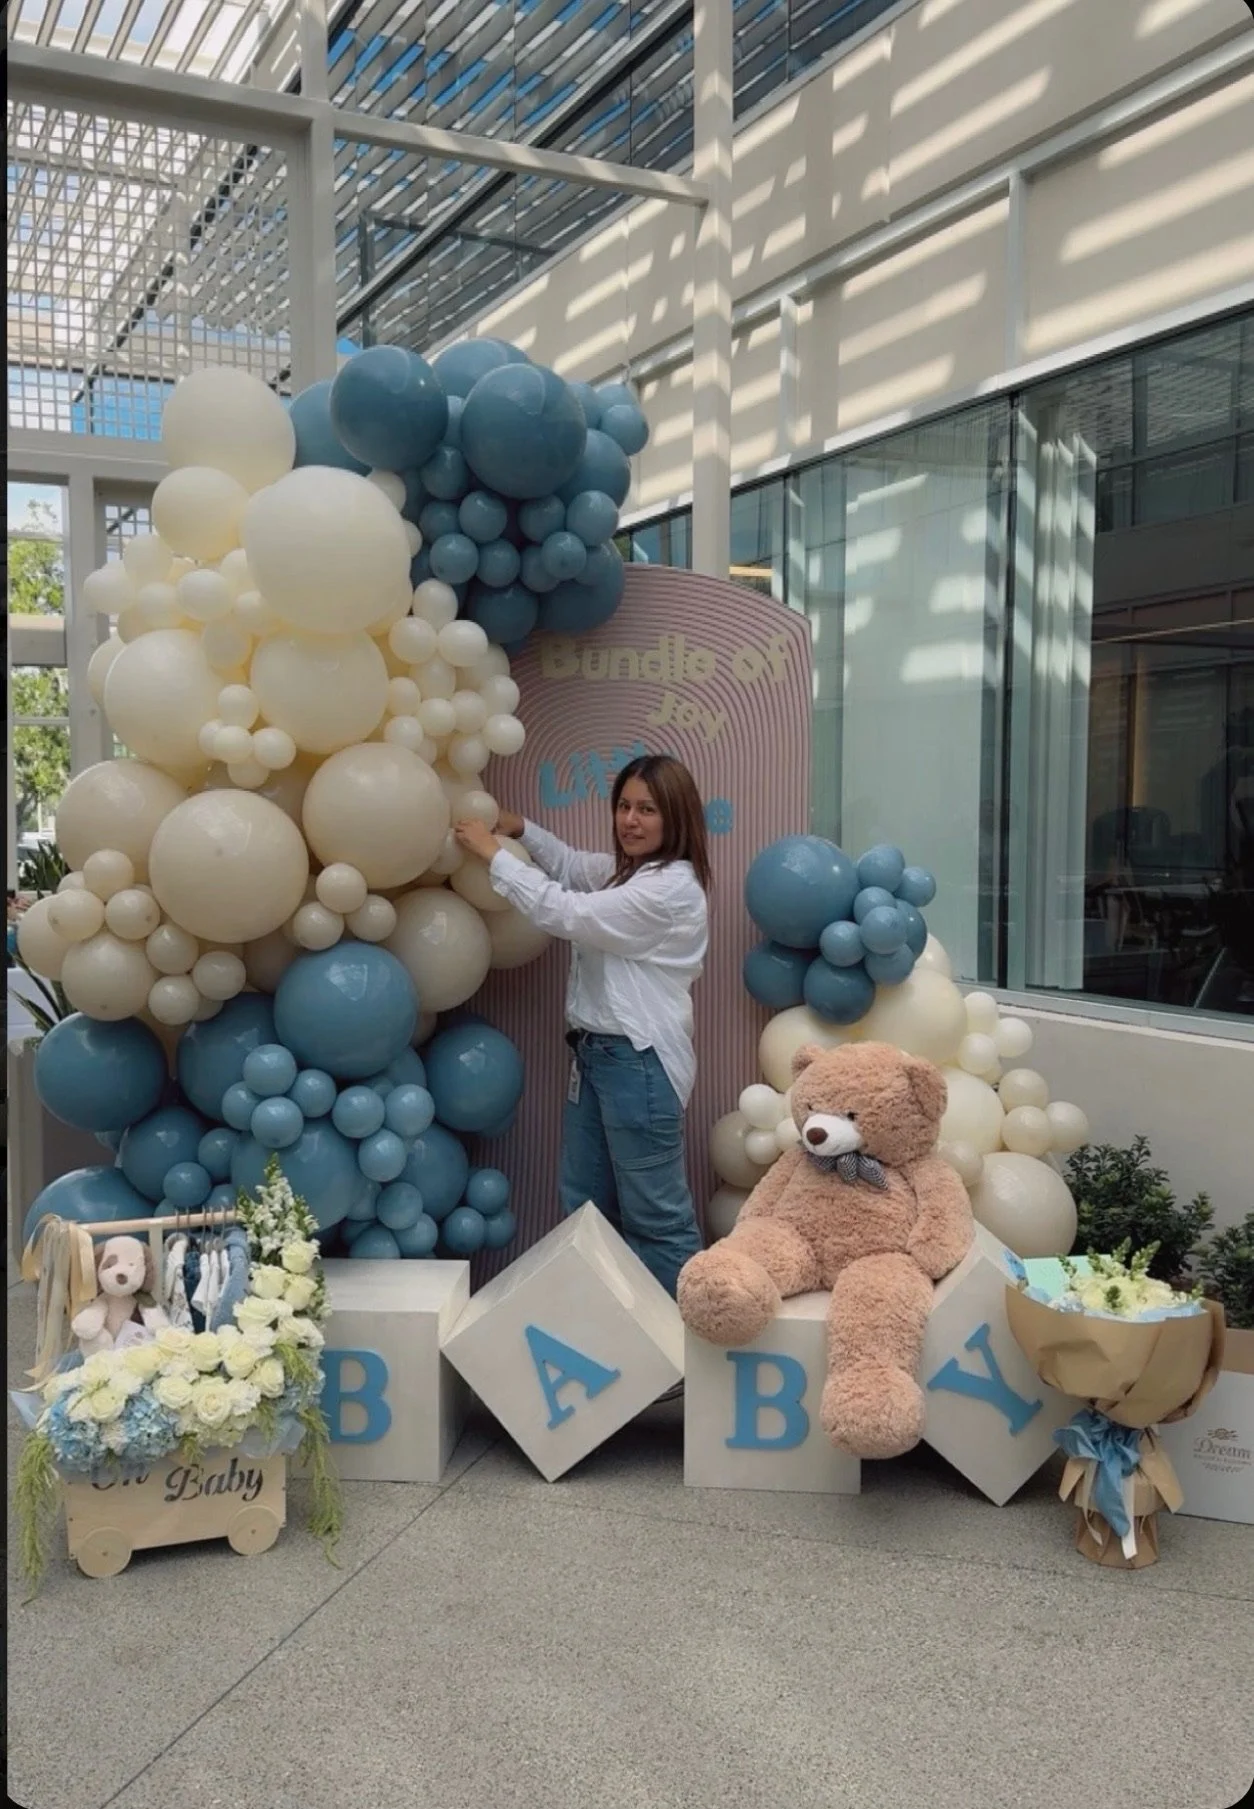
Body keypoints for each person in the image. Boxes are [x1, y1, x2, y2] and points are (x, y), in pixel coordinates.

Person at [453, 753, 710, 1299]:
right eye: (623, 806)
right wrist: (524, 830)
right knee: (586, 1210)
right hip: (597, 1057)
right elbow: (571, 867)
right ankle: (612, 1342)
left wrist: (493, 854)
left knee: (656, 1219)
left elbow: (566, 913)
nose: (630, 820)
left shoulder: (666, 890)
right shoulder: (631, 874)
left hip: (637, 1064)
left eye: (647, 809)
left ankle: (685, 1361)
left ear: (676, 818)